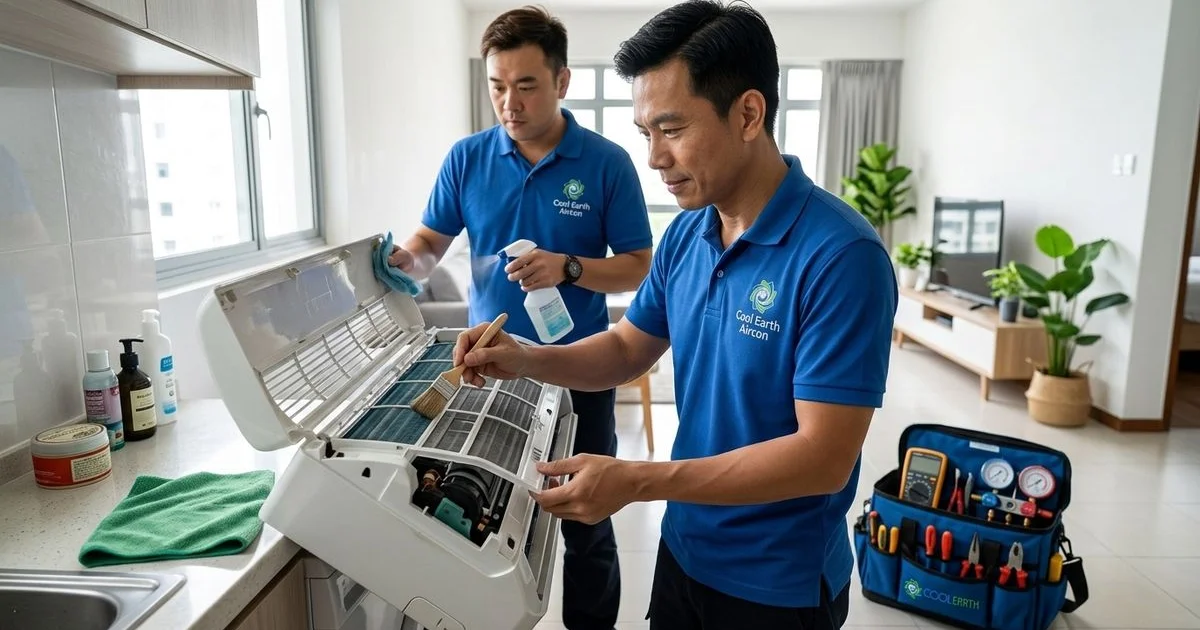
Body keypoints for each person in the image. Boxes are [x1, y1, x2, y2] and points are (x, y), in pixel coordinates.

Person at [451, 1, 898, 629]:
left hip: (777, 584)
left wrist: (637, 480)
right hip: (685, 548)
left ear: (748, 114)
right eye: (645, 134)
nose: (655, 158)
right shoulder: (689, 234)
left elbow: (822, 457)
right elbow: (628, 348)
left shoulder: (841, 256)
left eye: (673, 129)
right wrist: (526, 359)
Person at [387, 6, 653, 629]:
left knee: (587, 520)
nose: (509, 102)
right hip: (491, 372)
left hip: (582, 373)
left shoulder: (607, 163)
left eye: (526, 85)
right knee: (483, 520)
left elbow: (640, 265)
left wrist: (571, 269)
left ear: (561, 82)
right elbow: (429, 244)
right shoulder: (467, 158)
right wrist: (402, 260)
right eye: (497, 86)